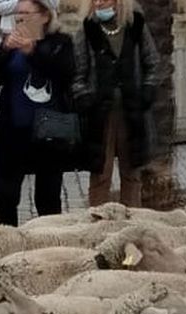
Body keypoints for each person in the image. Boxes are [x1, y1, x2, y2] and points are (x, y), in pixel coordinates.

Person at [0, 0, 74, 225]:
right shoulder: (9, 43)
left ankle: (47, 244)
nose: (20, 18)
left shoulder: (60, 42)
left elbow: (65, 73)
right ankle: (8, 240)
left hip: (49, 129)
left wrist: (33, 52)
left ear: (44, 16)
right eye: (17, 13)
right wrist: (5, 50)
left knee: (48, 196)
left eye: (26, 13)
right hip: (13, 128)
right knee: (5, 194)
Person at [74, 0, 161, 209]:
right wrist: (84, 98)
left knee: (131, 174)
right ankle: (97, 224)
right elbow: (77, 71)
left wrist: (147, 92)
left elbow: (152, 62)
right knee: (100, 175)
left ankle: (132, 224)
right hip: (100, 114)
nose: (99, 2)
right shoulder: (87, 29)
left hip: (132, 112)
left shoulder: (136, 25)